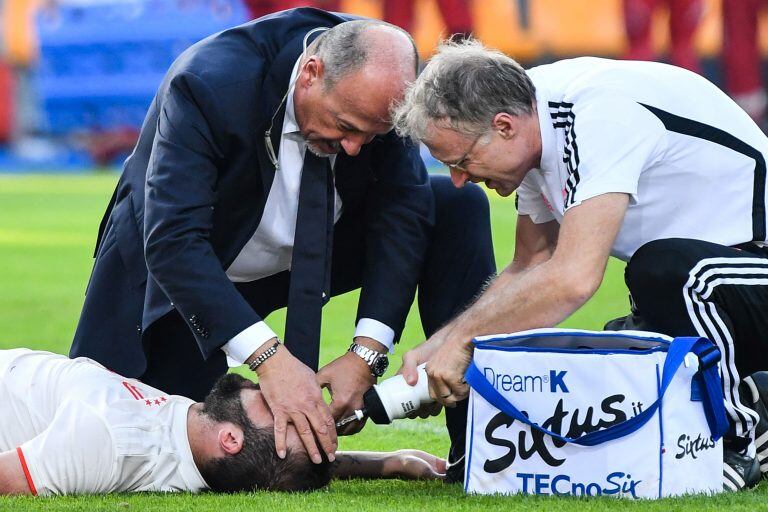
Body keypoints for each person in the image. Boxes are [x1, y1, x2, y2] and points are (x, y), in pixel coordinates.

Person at [69, 7, 495, 476]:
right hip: (189, 266)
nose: (355, 148)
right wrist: (270, 359)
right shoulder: (209, 82)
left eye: (371, 136)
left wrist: (366, 352)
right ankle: (356, 462)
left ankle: (477, 456)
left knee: (456, 206)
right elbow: (173, 239)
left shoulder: (380, 85)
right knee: (116, 442)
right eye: (346, 126)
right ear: (311, 74)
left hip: (315, 250)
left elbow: (404, 212)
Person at [392, 38, 768, 491]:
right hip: (731, 285)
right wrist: (444, 343)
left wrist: (465, 343)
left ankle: (731, 443)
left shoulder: (599, 115)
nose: (458, 180)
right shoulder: (534, 125)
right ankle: (759, 394)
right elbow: (531, 264)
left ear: (504, 126)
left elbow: (573, 278)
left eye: (462, 160)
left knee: (667, 272)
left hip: (743, 266)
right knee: (617, 354)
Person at [0, 348, 445, 496]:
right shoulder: (196, 446)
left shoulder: (108, 439)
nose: (286, 397)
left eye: (281, 413)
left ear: (230, 438)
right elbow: (280, 461)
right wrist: (388, 461)